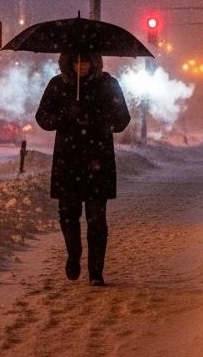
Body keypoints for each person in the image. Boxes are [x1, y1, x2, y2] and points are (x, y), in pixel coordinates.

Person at [35, 51, 130, 286]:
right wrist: (67, 113)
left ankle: (96, 272)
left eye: (85, 60)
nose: (81, 65)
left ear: (94, 61)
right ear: (68, 62)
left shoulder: (108, 85)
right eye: (76, 60)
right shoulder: (58, 85)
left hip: (98, 159)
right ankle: (74, 254)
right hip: (68, 160)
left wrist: (94, 115)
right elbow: (43, 118)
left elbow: (121, 120)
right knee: (68, 214)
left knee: (97, 218)